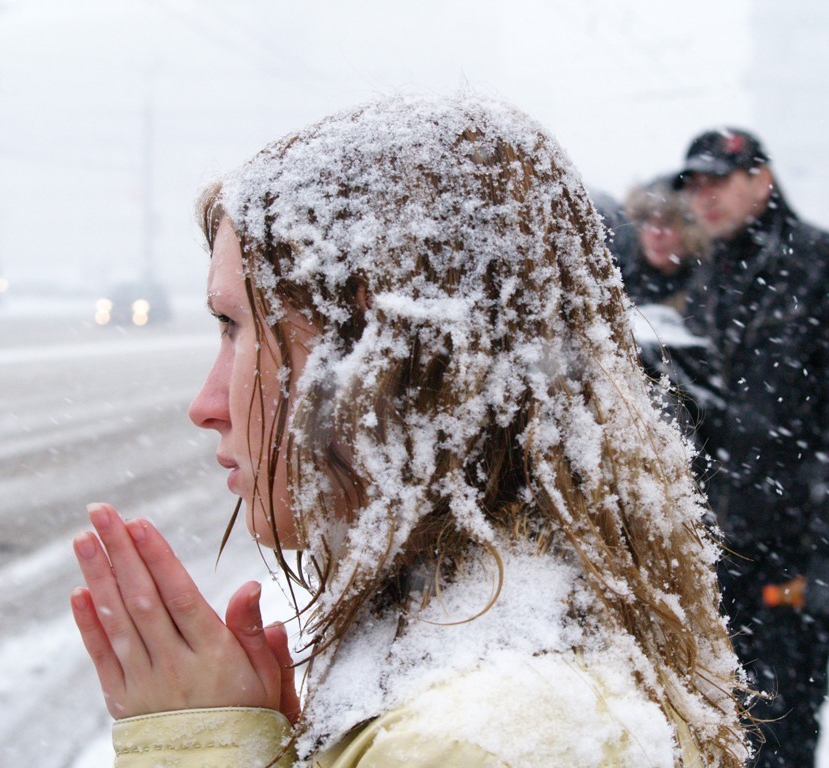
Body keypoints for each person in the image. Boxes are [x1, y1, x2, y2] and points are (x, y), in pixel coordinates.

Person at [69, 94, 749, 768]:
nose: (207, 403)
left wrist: (203, 752)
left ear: (385, 357)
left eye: (236, 327)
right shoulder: (499, 680)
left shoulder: (479, 740)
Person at [674, 127, 829, 768]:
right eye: (696, 186)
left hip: (797, 542)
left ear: (761, 180)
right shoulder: (708, 277)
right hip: (723, 542)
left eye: (719, 181)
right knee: (727, 723)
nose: (704, 198)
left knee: (787, 722)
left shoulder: (826, 263)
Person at [619, 175, 710, 311]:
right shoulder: (620, 279)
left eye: (667, 223)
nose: (656, 234)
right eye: (646, 222)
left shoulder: (707, 286)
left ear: (690, 230)